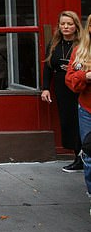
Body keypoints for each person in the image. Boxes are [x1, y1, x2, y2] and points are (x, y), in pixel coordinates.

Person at [41, 11, 82, 172]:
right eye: (63, 24)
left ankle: (83, 156)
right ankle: (76, 155)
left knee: (82, 122)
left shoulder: (83, 44)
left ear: (76, 26)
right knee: (68, 121)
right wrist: (45, 88)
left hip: (79, 86)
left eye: (69, 24)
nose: (66, 27)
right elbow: (47, 68)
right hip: (61, 86)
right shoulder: (54, 44)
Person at [65, 14, 91, 211]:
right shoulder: (80, 52)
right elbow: (72, 82)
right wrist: (85, 75)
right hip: (87, 109)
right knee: (89, 154)